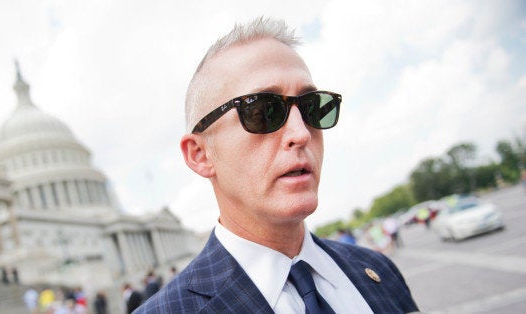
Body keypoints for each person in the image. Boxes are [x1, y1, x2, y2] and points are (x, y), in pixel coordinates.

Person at [135, 17, 418, 313]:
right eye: (263, 111)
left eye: (312, 108)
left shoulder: (378, 270)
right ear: (200, 154)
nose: (301, 133)